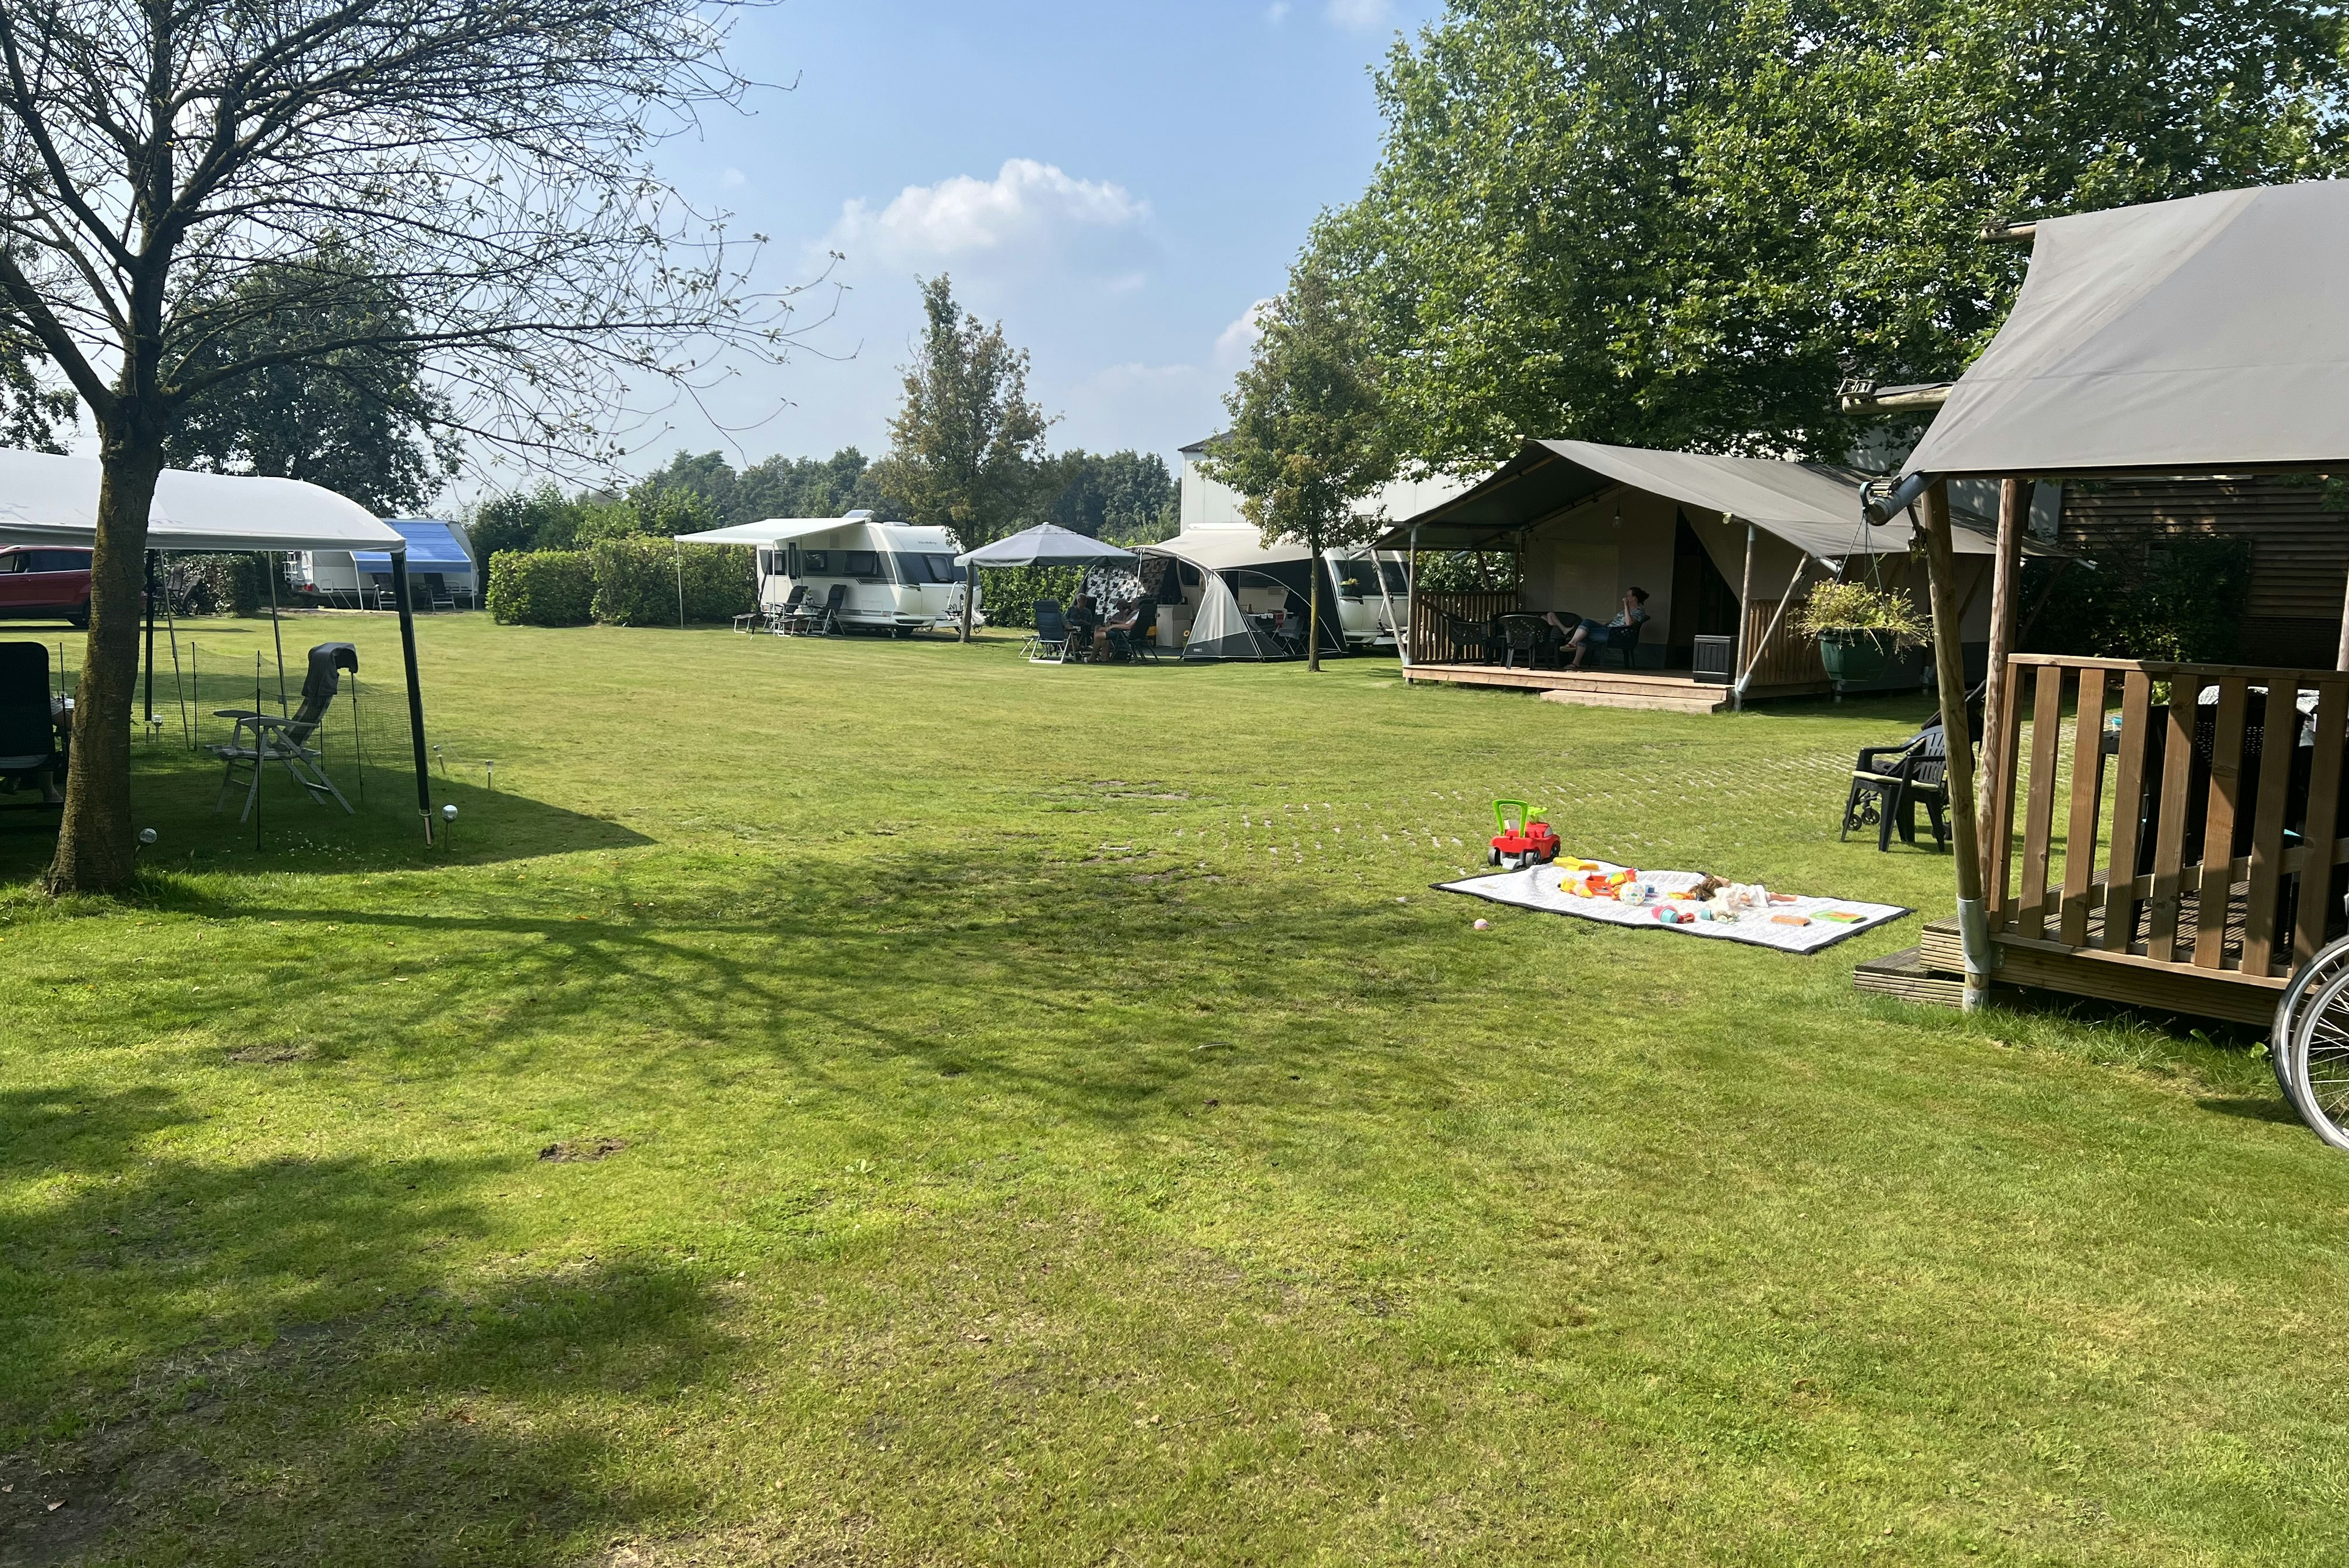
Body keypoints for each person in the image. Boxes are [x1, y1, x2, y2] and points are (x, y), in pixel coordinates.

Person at [1553, 586, 1649, 670]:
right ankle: (1574, 653)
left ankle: (1573, 648)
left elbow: (1629, 623)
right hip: (1608, 630)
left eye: (1628, 596)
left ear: (1635, 598)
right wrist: (1606, 623)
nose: (1626, 598)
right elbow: (1616, 621)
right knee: (1586, 624)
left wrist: (1626, 607)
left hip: (1616, 635)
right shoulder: (1624, 611)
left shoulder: (1639, 611)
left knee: (1584, 632)